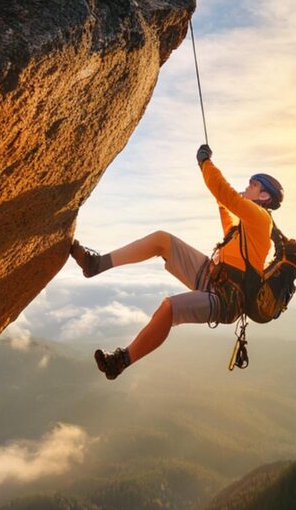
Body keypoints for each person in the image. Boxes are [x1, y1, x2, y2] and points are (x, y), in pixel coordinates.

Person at [69, 144, 284, 379]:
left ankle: (120, 361)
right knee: (162, 240)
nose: (247, 187)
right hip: (215, 276)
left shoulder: (262, 219)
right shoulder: (246, 227)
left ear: (264, 196)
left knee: (170, 308)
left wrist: (206, 163)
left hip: (226, 299)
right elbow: (227, 215)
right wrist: (220, 198)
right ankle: (96, 265)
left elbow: (226, 194)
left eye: (253, 186)